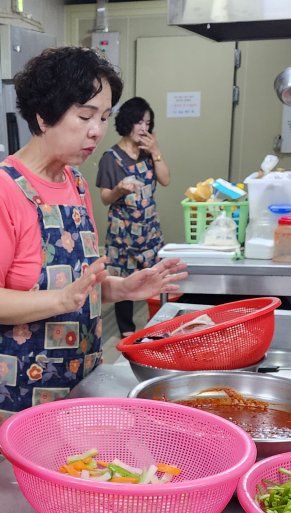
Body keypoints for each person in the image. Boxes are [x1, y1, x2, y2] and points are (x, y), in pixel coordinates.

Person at [0, 47, 187, 433]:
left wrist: (121, 288)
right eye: (84, 116)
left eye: (103, 117)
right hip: (19, 391)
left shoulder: (75, 182)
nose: (96, 130)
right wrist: (59, 301)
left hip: (80, 379)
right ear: (43, 116)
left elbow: (80, 286)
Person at [95, 97, 171, 338]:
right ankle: (127, 332)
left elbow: (166, 180)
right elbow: (106, 198)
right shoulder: (111, 157)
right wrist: (119, 189)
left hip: (149, 231)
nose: (144, 128)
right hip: (122, 233)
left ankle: (157, 328)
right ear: (127, 122)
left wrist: (157, 151)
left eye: (148, 123)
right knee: (122, 281)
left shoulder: (149, 153)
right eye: (139, 122)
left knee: (157, 278)